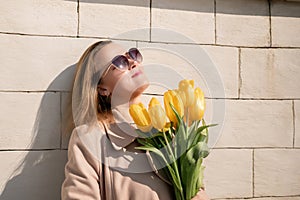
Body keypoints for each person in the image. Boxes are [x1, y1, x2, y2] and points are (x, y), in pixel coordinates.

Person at [61, 40, 210, 200]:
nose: (133, 62)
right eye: (120, 62)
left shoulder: (169, 131)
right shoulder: (90, 139)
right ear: (102, 89)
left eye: (133, 54)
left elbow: (196, 189)